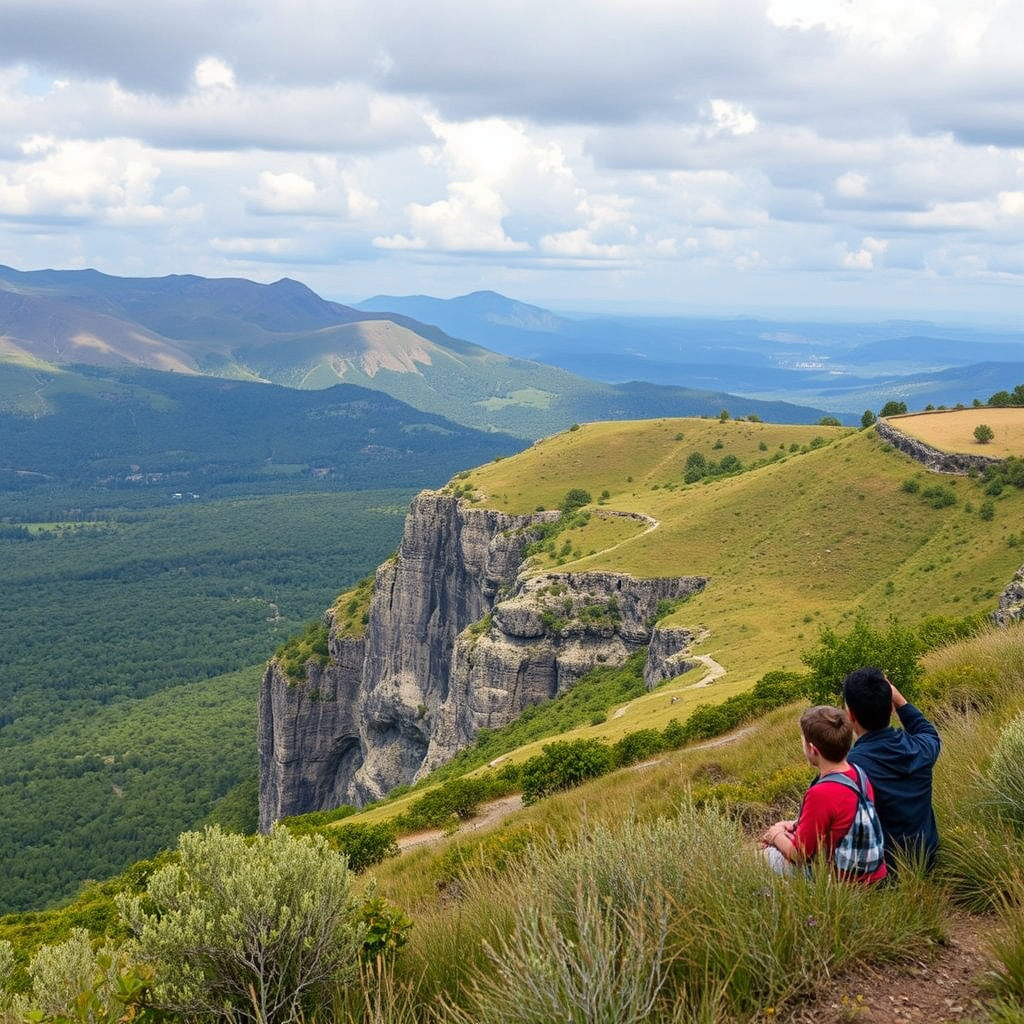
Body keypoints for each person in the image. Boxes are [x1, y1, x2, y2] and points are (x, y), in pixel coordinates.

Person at [760, 704, 888, 884]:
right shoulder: (858, 772)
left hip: (846, 882)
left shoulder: (821, 793)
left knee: (766, 855)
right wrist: (791, 825)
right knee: (784, 839)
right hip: (871, 872)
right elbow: (841, 819)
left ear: (813, 750)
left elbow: (800, 855)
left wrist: (774, 835)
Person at [843, 667, 941, 872]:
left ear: (850, 714)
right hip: (928, 857)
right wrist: (898, 699)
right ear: (890, 708)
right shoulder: (921, 749)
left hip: (886, 869)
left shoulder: (852, 768)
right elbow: (926, 730)